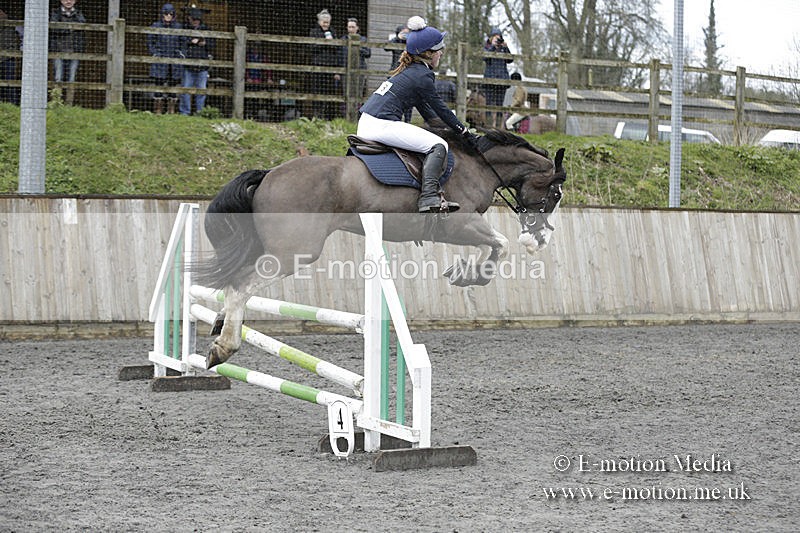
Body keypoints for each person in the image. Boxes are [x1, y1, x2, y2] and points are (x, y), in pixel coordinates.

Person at [358, 16, 479, 213]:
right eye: (438, 49)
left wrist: (450, 128)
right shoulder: (423, 75)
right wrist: (464, 131)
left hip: (370, 122)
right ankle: (429, 197)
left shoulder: (414, 71)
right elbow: (441, 109)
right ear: (428, 53)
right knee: (438, 145)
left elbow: (430, 115)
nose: (441, 53)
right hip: (380, 125)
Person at [147, 3, 183, 114]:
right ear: (162, 14)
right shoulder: (156, 26)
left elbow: (183, 42)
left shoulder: (178, 27)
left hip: (174, 60)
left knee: (173, 85)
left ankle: (171, 110)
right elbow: (150, 42)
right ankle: (158, 110)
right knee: (159, 84)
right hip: (160, 60)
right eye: (166, 13)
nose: (168, 16)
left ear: (174, 15)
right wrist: (155, 53)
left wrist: (181, 54)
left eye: (170, 14)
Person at [49, 0, 86, 105]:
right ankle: (56, 102)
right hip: (58, 50)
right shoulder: (55, 12)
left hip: (74, 50)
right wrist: (70, 28)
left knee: (72, 78)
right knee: (58, 77)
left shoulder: (78, 13)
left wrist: (65, 27)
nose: (68, 1)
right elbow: (54, 28)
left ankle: (69, 104)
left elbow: (82, 24)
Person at [179, 7, 215, 116]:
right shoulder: (184, 29)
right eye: (193, 19)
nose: (195, 21)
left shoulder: (207, 30)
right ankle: (185, 112)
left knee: (201, 91)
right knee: (185, 90)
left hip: (202, 66)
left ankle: (200, 112)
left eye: (197, 19)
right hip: (188, 66)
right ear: (189, 18)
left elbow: (213, 45)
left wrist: (205, 43)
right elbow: (180, 42)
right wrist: (190, 41)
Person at [308, 9, 340, 119]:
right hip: (318, 66)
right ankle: (317, 116)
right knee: (317, 91)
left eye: (327, 21)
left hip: (331, 67)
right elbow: (312, 47)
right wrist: (325, 42)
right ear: (319, 21)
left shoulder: (333, 32)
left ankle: (329, 117)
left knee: (330, 92)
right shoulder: (314, 32)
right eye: (324, 21)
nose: (326, 23)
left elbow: (337, 49)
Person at [482, 27, 512, 128]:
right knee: (488, 104)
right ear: (490, 38)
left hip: (501, 80)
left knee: (500, 105)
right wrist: (493, 47)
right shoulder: (487, 47)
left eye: (498, 37)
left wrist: (506, 47)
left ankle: (499, 127)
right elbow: (484, 57)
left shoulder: (503, 49)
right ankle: (489, 126)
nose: (497, 39)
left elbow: (510, 60)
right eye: (494, 37)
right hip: (489, 80)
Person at [384, 24, 411, 122]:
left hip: (408, 73)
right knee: (393, 97)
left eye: (407, 33)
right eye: (403, 33)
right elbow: (386, 47)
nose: (405, 35)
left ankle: (407, 121)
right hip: (395, 71)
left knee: (409, 98)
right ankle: (394, 119)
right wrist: (397, 38)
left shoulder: (411, 42)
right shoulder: (395, 41)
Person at [340, 17, 370, 102]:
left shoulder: (363, 39)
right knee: (346, 93)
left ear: (357, 28)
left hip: (360, 69)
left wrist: (356, 48)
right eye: (349, 27)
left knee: (358, 93)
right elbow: (340, 56)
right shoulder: (343, 39)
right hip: (345, 69)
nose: (351, 29)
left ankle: (357, 114)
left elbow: (368, 53)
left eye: (353, 27)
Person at [0, 8, 21, 105]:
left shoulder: (12, 24)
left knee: (10, 82)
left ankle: (13, 104)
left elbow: (23, 36)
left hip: (8, 58)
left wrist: (17, 49)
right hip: (8, 57)